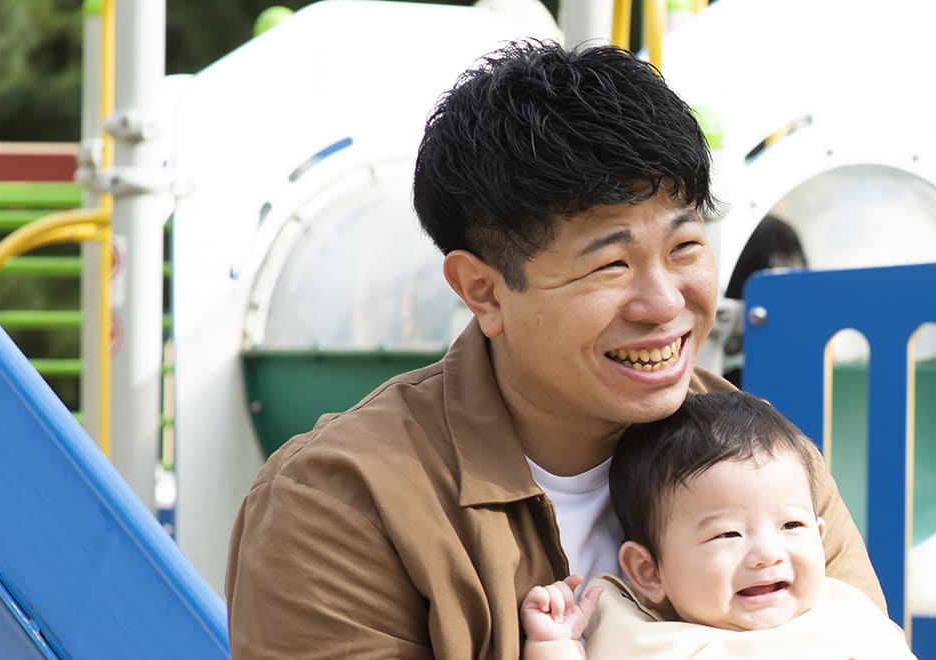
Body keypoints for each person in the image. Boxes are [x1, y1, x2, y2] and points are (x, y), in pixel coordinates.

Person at [224, 40, 883, 659]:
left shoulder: (763, 457)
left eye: (685, 248)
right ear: (482, 291)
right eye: (610, 267)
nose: (663, 303)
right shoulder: (340, 503)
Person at [521, 393, 913, 659]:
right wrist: (553, 643)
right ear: (648, 570)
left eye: (792, 525)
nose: (767, 555)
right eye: (728, 534)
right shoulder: (635, 634)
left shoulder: (845, 616)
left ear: (820, 538)